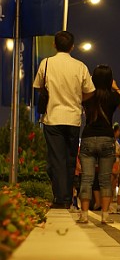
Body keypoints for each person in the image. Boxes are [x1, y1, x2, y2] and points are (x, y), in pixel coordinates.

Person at [34, 31, 96, 209]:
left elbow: (38, 86)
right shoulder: (80, 66)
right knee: (69, 159)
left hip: (52, 118)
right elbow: (90, 91)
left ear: (54, 45)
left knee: (56, 159)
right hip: (73, 118)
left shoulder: (46, 63)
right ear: (72, 47)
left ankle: (60, 198)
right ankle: (67, 197)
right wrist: (77, 99)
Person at [76, 65, 120, 225]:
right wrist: (116, 87)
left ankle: (84, 214)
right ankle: (105, 216)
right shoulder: (112, 97)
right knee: (105, 179)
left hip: (88, 138)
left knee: (87, 178)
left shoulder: (87, 96)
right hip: (107, 138)